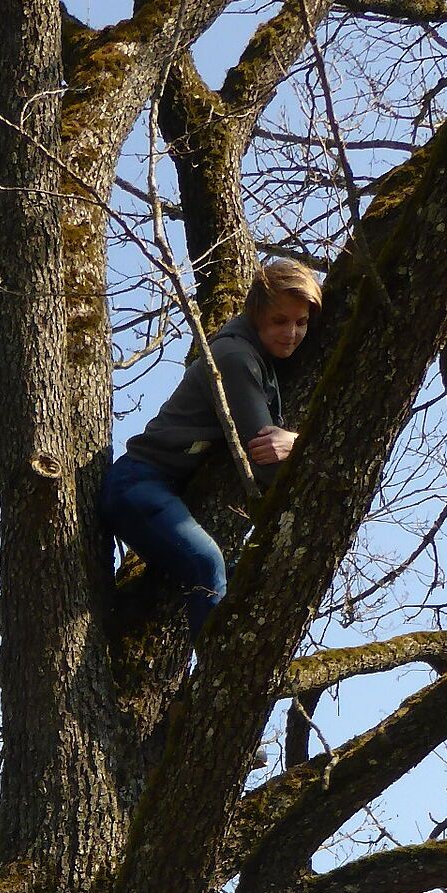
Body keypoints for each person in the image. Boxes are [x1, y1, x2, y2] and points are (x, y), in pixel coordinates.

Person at [101, 257, 323, 641]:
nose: (291, 333)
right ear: (256, 314)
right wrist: (305, 448)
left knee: (241, 574)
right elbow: (264, 462)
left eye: (301, 322)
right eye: (279, 321)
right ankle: (213, 678)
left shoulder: (262, 356)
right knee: (207, 562)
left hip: (168, 490)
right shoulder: (235, 358)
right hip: (139, 485)